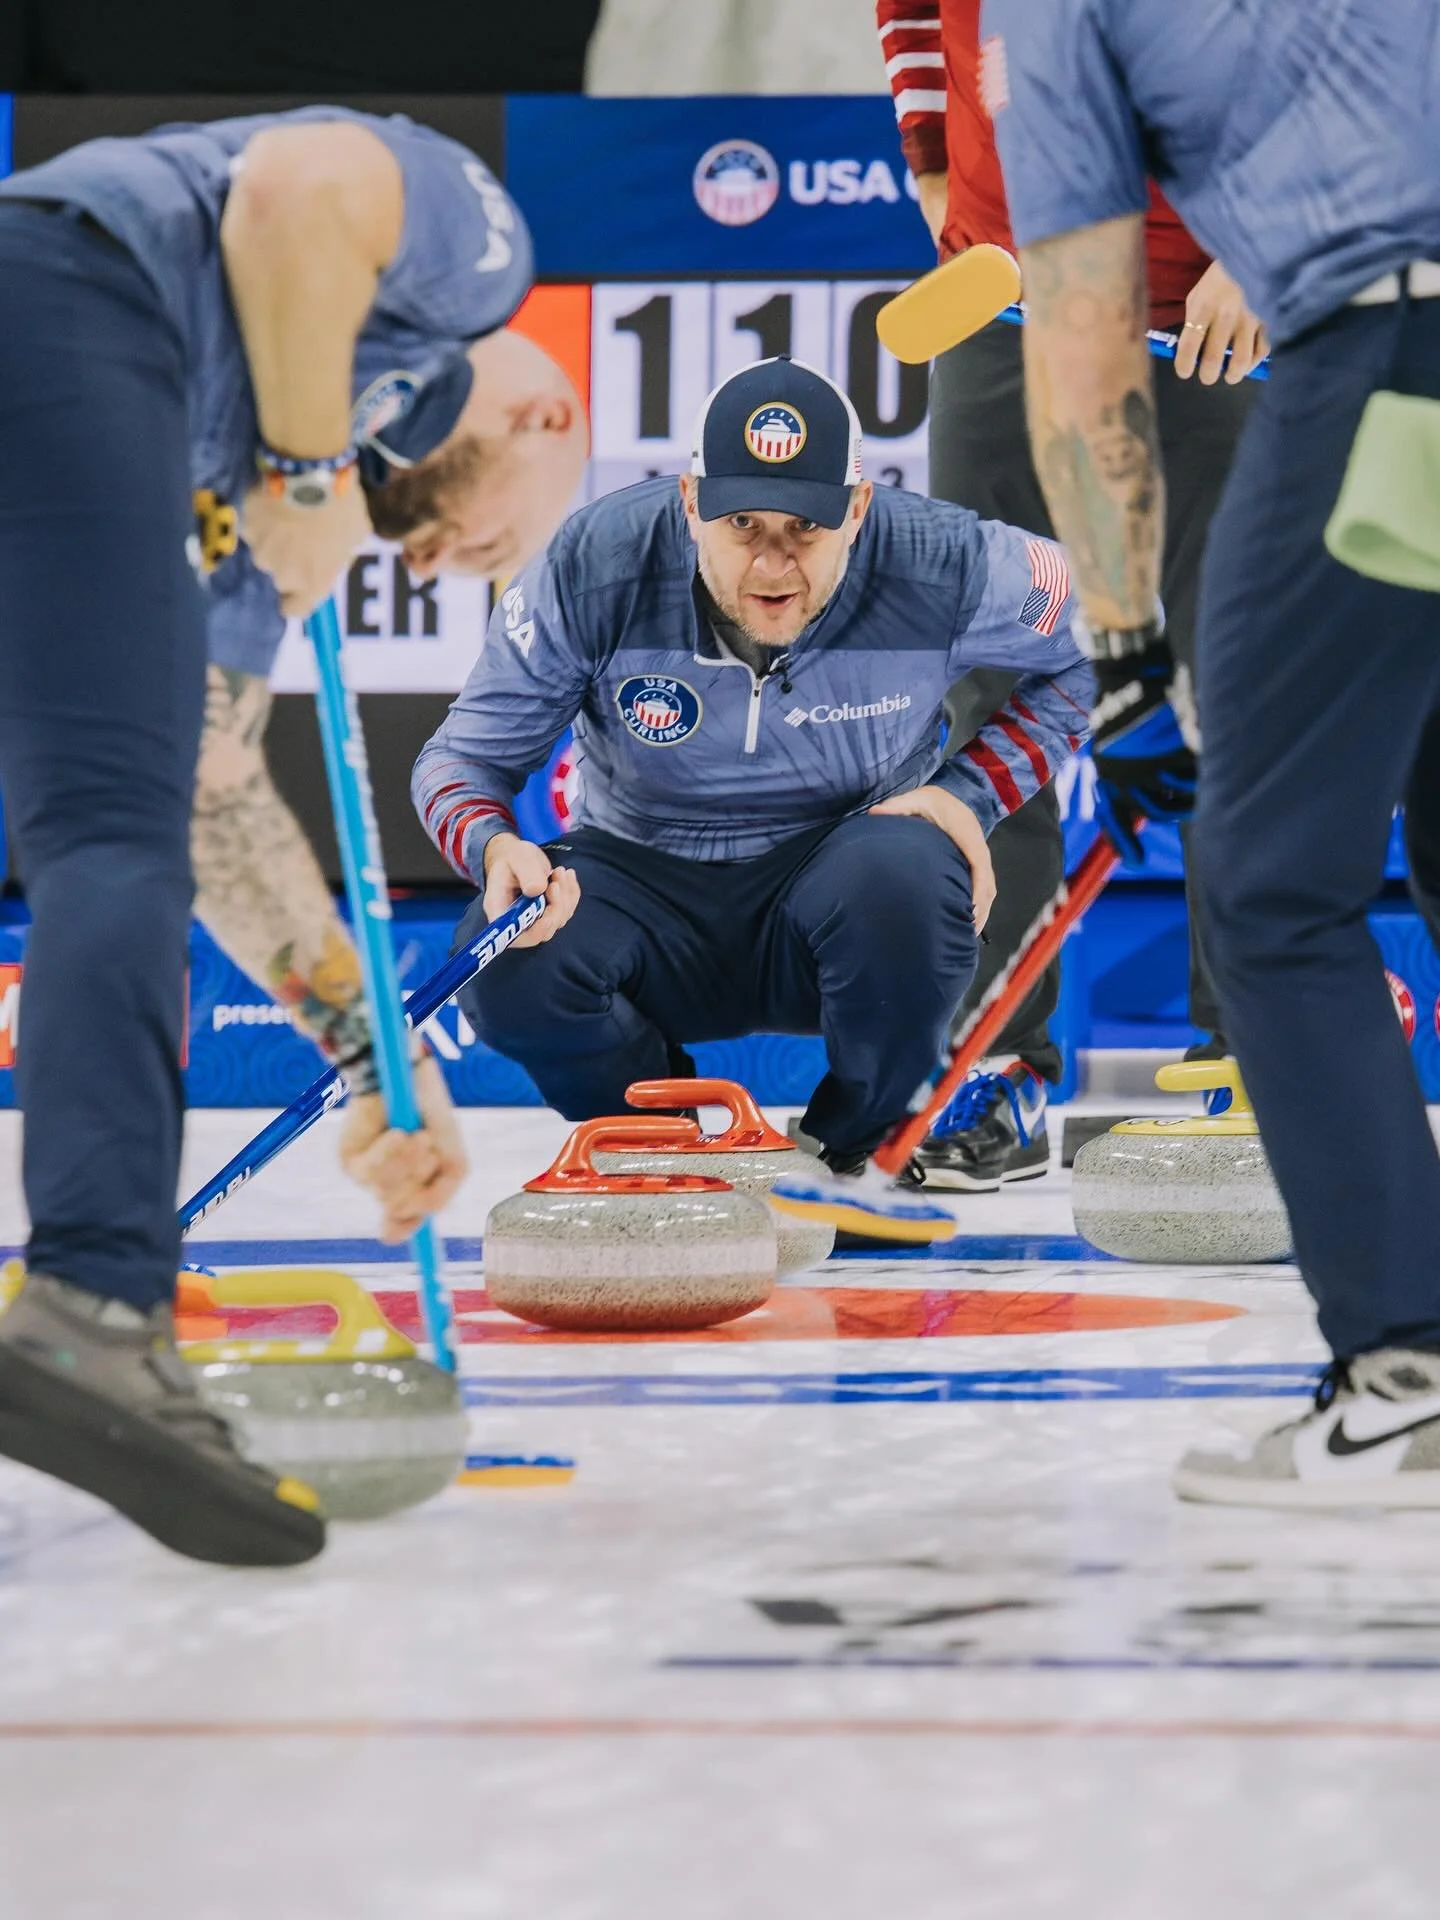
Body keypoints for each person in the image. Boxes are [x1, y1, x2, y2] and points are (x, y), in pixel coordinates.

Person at [0, 107, 583, 1565]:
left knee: (128, 820)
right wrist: (320, 474)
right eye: (500, 544)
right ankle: (92, 1305)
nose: (443, 562)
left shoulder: (250, 483)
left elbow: (210, 789)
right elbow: (296, 183)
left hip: (83, 372)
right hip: (70, 292)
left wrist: (370, 1057)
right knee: (103, 836)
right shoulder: (478, 264)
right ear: (540, 421)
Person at [985, 0, 1440, 1505]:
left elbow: (1084, 324)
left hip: (1394, 359)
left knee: (1270, 887)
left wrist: (1119, 656)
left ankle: (1408, 1378)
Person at [413, 356, 1092, 1238]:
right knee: (505, 952)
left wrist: (970, 793)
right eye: (741, 524)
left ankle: (854, 1153)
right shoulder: (595, 561)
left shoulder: (946, 560)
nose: (772, 564)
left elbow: (1114, 629)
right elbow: (458, 760)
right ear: (689, 502)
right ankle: (661, 1149)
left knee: (910, 871)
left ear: (857, 509)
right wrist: (494, 849)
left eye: (804, 529)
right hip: (641, 884)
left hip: (842, 876)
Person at [876, 0, 1266, 1193]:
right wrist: (932, 158)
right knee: (995, 695)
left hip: (1205, 308)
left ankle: (1249, 1058)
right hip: (1005, 298)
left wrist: (1261, 246)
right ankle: (998, 1064)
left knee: (1228, 685)